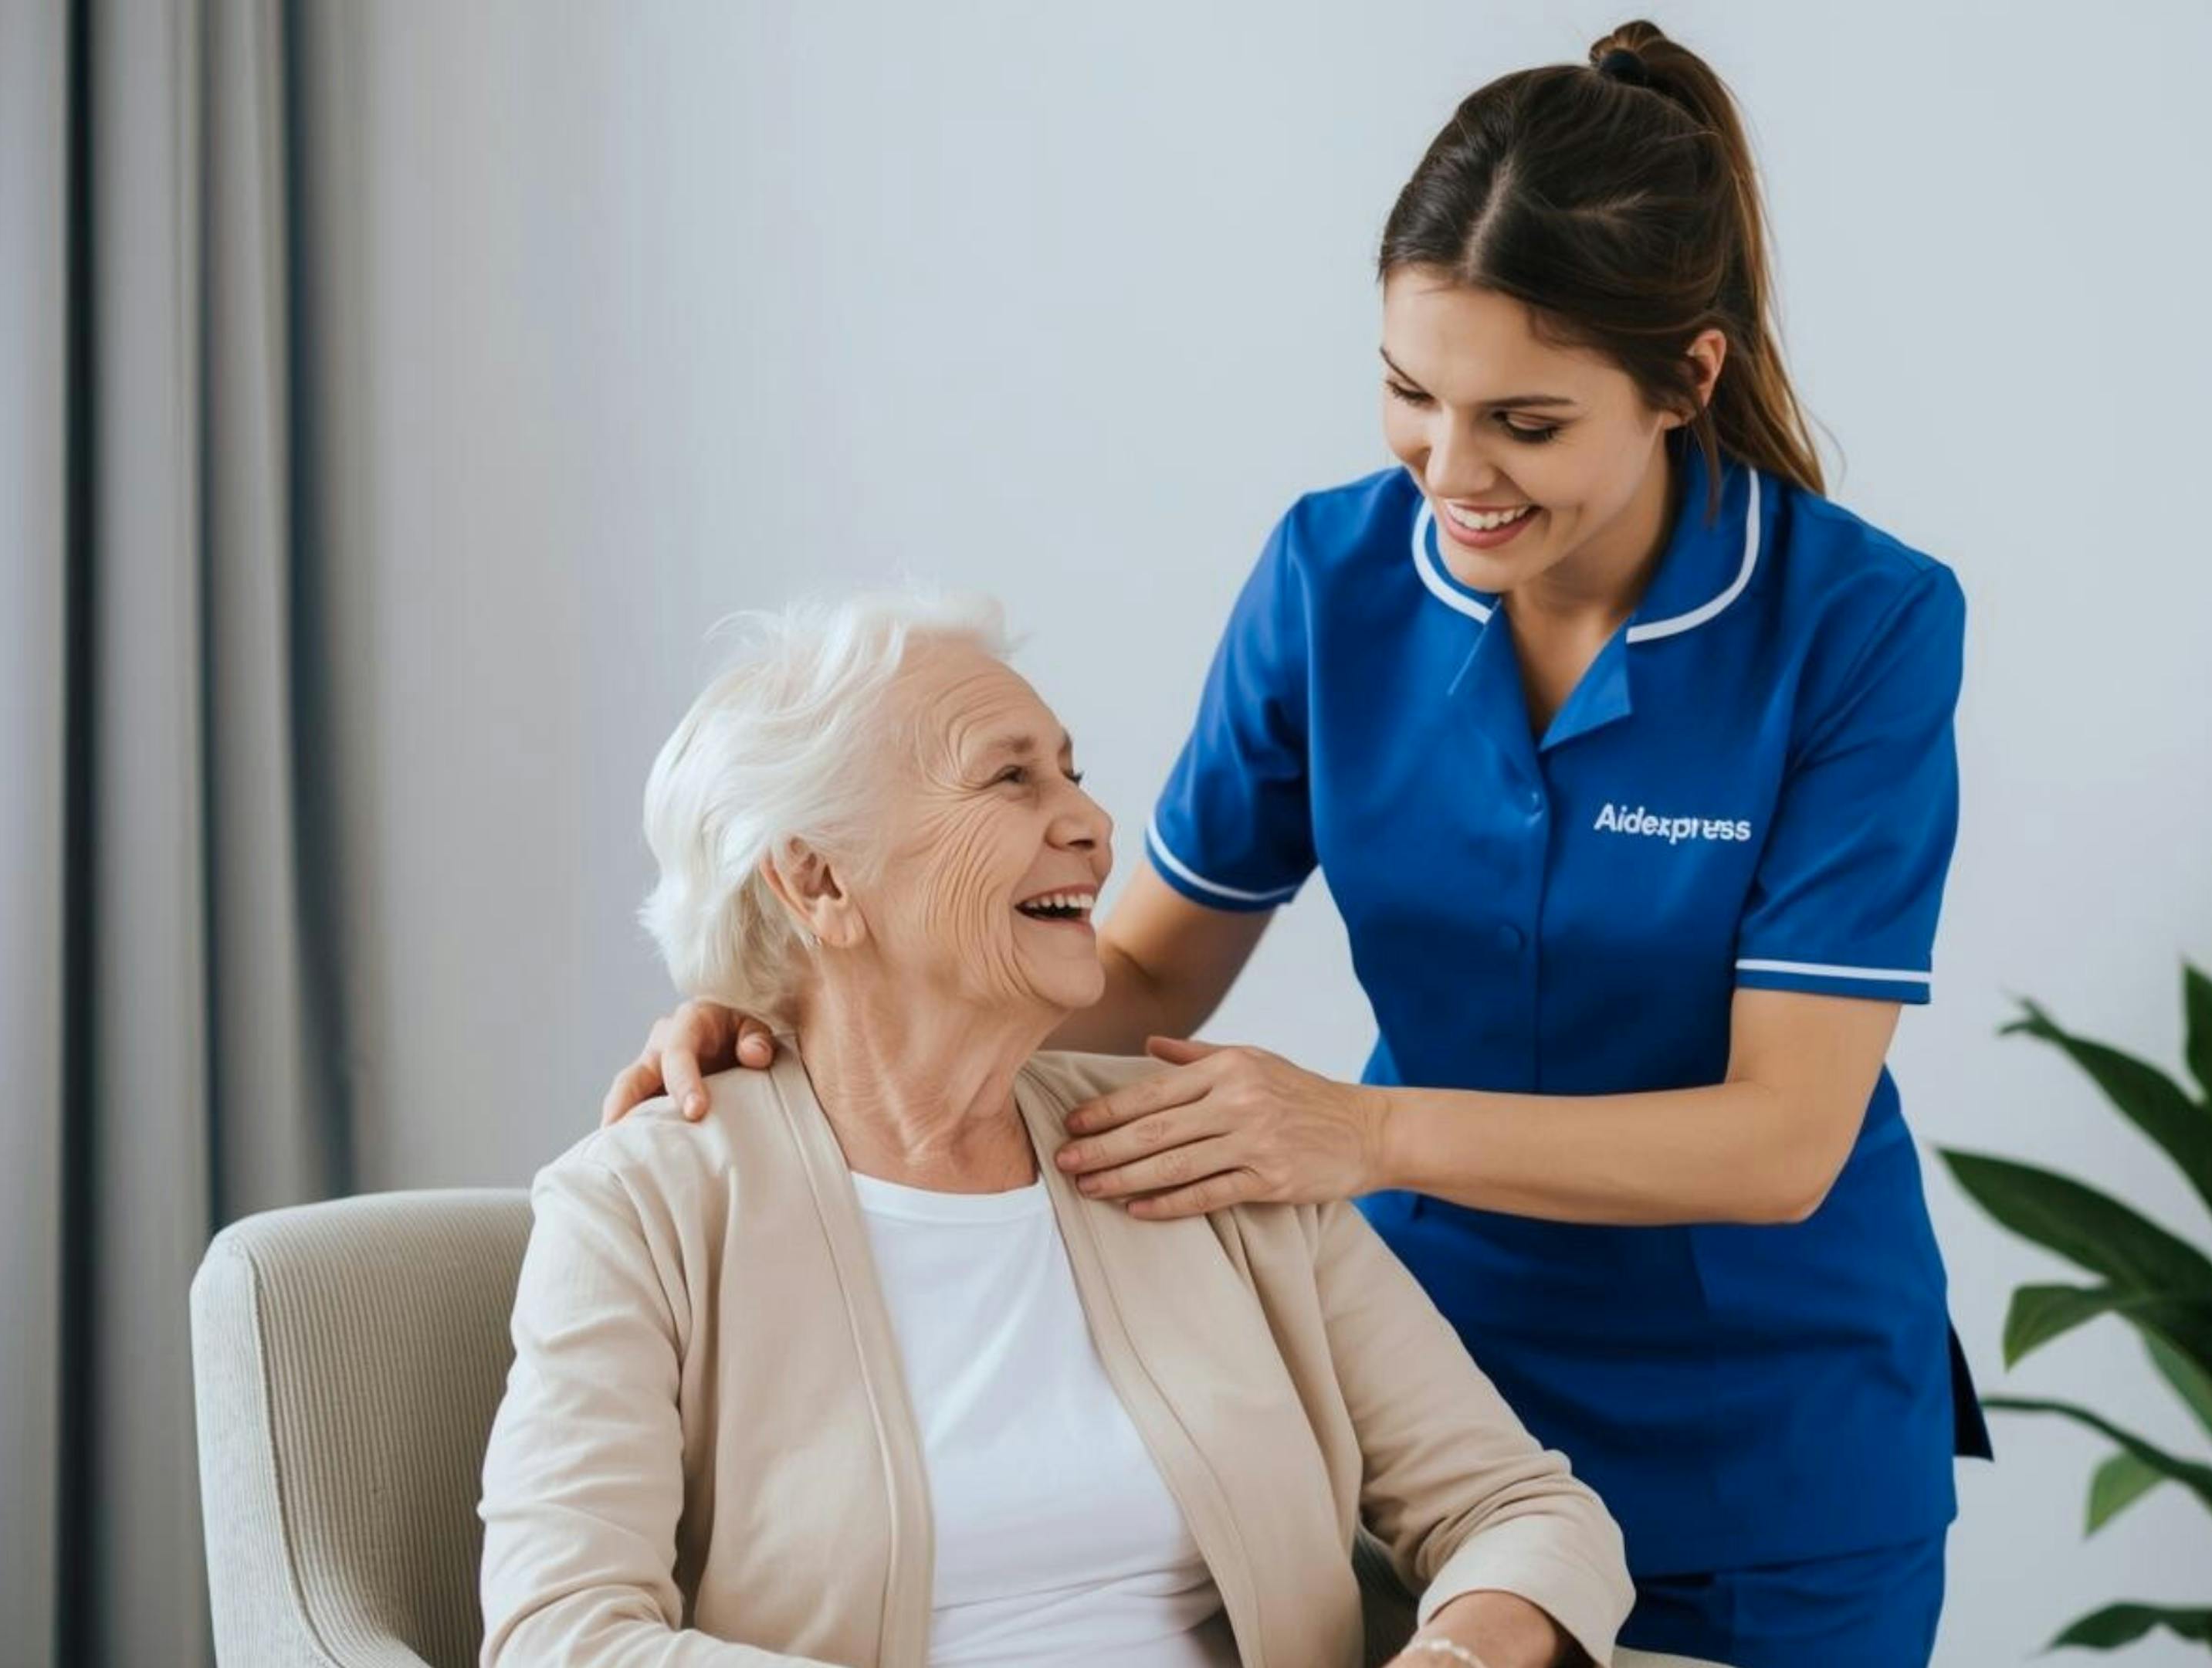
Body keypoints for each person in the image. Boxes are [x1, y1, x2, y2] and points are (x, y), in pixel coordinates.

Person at [605, 22, 1987, 1666]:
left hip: (1769, 1446)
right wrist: (794, 1023)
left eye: (1525, 422)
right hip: (1423, 1406)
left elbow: (1783, 1141)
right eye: (1411, 394)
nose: (1452, 473)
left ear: (1686, 380)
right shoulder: (1335, 580)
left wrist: (1361, 1131)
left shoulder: (1858, 625)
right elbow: (1132, 979)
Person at [482, 592, 1633, 1668]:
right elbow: (563, 1636)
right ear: (819, 879)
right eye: (1010, 780)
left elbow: (1522, 1509)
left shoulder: (1209, 1144)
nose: (1091, 823)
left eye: (1072, 775)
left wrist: (1457, 1654)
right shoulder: (644, 1205)